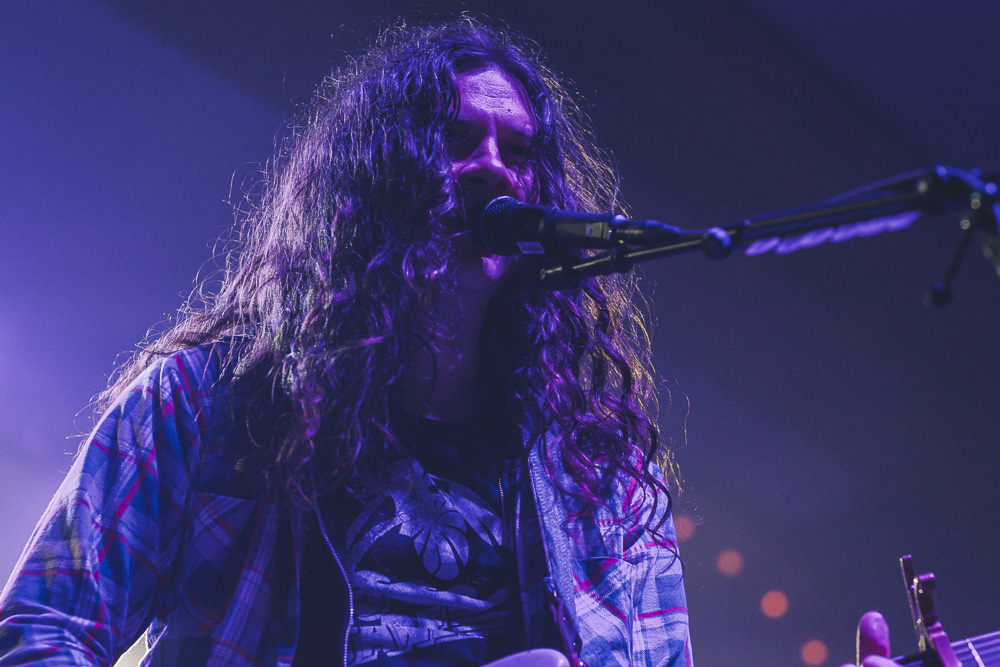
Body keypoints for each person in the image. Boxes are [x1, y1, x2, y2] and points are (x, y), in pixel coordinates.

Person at [0, 17, 693, 667]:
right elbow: (40, 633)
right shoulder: (207, 404)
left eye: (519, 151)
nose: (493, 168)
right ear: (374, 179)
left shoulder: (603, 472)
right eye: (453, 141)